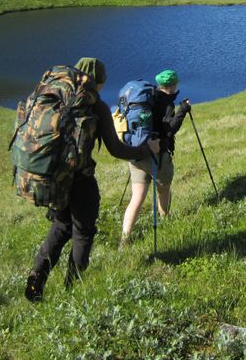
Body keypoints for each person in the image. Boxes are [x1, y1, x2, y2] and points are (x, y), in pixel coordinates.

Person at [25, 57, 159, 303]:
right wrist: (145, 149)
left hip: (54, 177)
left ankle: (36, 277)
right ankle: (72, 288)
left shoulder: (58, 96)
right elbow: (117, 150)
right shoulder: (95, 106)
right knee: (83, 233)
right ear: (97, 81)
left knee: (61, 226)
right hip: (81, 180)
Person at [121, 69, 190, 245]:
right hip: (156, 155)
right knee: (164, 188)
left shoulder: (148, 97)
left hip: (137, 152)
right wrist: (182, 110)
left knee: (137, 197)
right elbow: (169, 130)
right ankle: (165, 219)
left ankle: (125, 238)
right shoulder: (167, 103)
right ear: (173, 86)